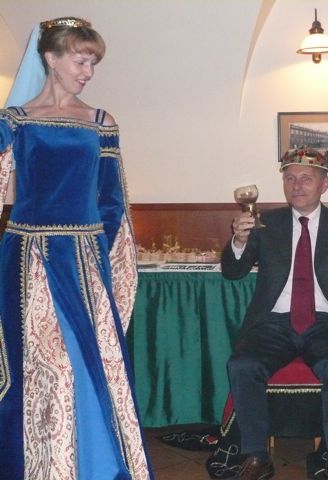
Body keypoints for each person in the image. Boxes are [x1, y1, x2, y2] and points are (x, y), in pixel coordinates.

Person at [0, 17, 153, 479]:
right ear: (51, 58)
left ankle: (95, 466)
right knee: (43, 365)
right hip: (28, 259)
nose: (88, 72)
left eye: (92, 63)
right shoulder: (14, 123)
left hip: (84, 260)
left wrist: (109, 265)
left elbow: (112, 201)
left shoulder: (101, 123)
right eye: (80, 61)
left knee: (88, 363)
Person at [221, 148, 328, 480]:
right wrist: (238, 241)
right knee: (242, 364)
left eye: (306, 179)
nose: (296, 186)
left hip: (326, 323)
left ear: (325, 184)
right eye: (290, 178)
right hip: (273, 323)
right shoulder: (265, 224)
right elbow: (234, 272)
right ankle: (256, 455)